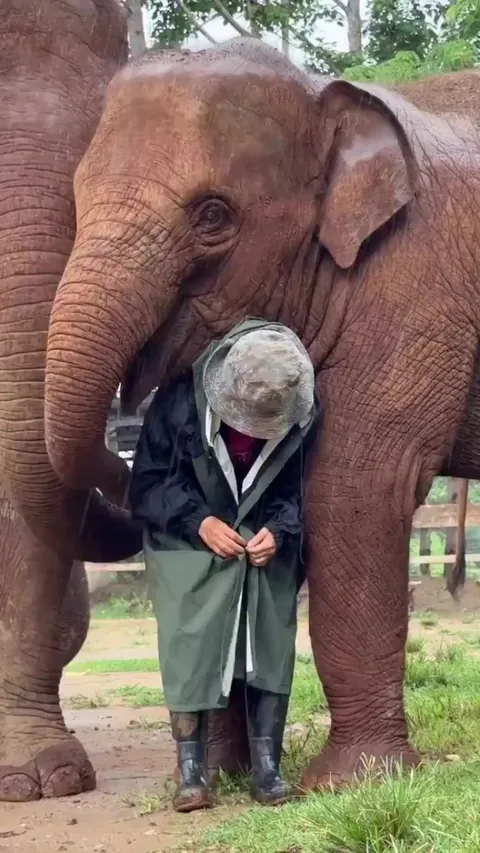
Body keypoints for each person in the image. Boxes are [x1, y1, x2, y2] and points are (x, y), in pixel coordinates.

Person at [129, 318, 320, 813]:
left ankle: (268, 769)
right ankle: (192, 772)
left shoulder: (299, 409)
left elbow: (297, 492)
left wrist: (279, 532)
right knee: (188, 641)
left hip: (260, 544)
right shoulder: (176, 404)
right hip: (186, 543)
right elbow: (148, 488)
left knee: (271, 640)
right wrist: (201, 522)